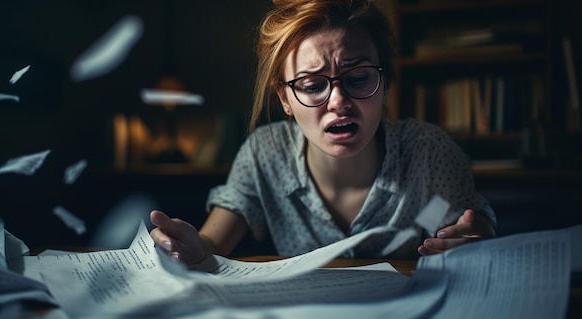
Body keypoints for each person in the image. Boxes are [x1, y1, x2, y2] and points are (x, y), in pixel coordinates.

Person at [150, 0, 496, 268]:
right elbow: (212, 241)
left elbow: (463, 229)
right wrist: (191, 248)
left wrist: (475, 235)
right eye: (313, 85)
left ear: (385, 82)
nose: (339, 101)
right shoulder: (265, 153)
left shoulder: (428, 152)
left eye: (358, 78)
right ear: (285, 97)